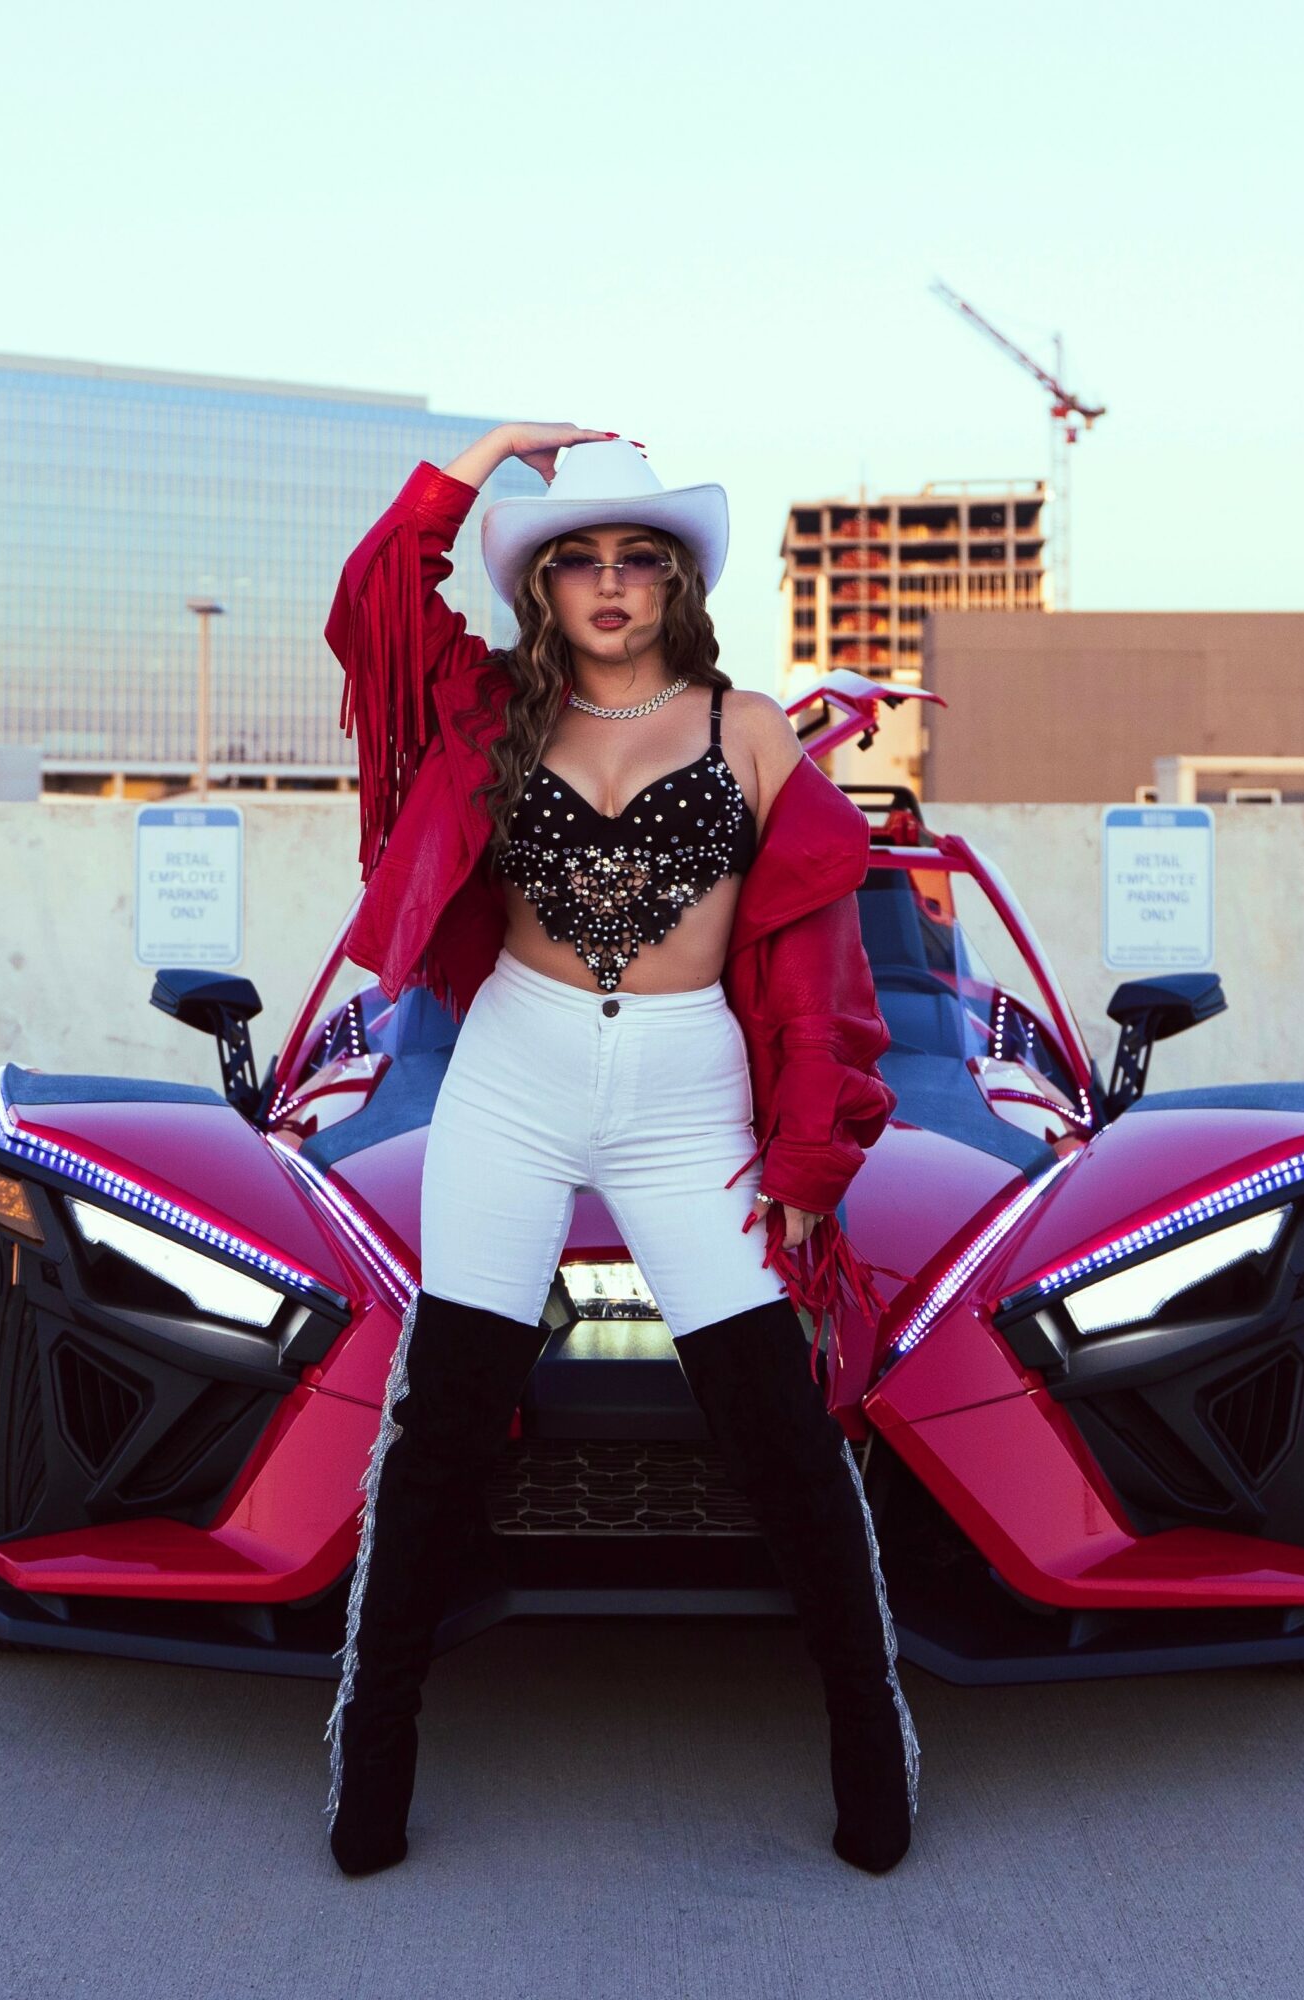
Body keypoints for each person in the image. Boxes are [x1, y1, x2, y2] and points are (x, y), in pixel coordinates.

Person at [318, 422, 918, 1878]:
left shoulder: (747, 727)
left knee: (775, 1424)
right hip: (512, 1077)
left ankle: (871, 1749)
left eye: (633, 558)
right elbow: (374, 603)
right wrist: (482, 459)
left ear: (673, 583)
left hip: (682, 1096)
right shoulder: (485, 714)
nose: (604, 582)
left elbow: (817, 965)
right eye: (576, 558)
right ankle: (371, 1766)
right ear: (541, 587)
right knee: (445, 1421)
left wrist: (802, 1154)